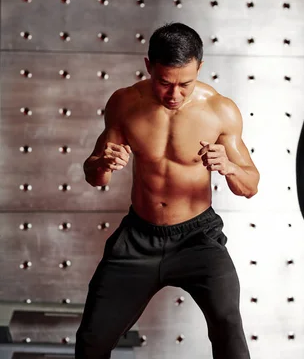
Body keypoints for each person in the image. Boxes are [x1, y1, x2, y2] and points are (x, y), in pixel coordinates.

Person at [75, 22, 259, 359]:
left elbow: (250, 186)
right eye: (164, 83)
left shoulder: (220, 110)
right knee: (92, 340)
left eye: (185, 84)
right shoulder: (124, 103)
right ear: (149, 67)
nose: (174, 95)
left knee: (228, 326)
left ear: (199, 69)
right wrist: (103, 163)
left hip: (197, 238)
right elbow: (94, 177)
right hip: (138, 239)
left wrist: (230, 167)